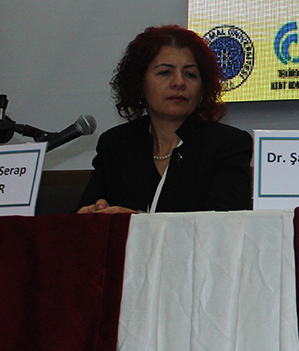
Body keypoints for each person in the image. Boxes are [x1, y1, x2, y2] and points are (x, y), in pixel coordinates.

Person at [78, 25, 253, 213]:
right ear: (139, 83)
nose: (179, 82)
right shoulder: (115, 144)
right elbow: (82, 215)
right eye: (164, 72)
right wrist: (91, 213)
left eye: (190, 74)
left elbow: (225, 222)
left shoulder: (228, 145)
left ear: (203, 88)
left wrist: (134, 221)